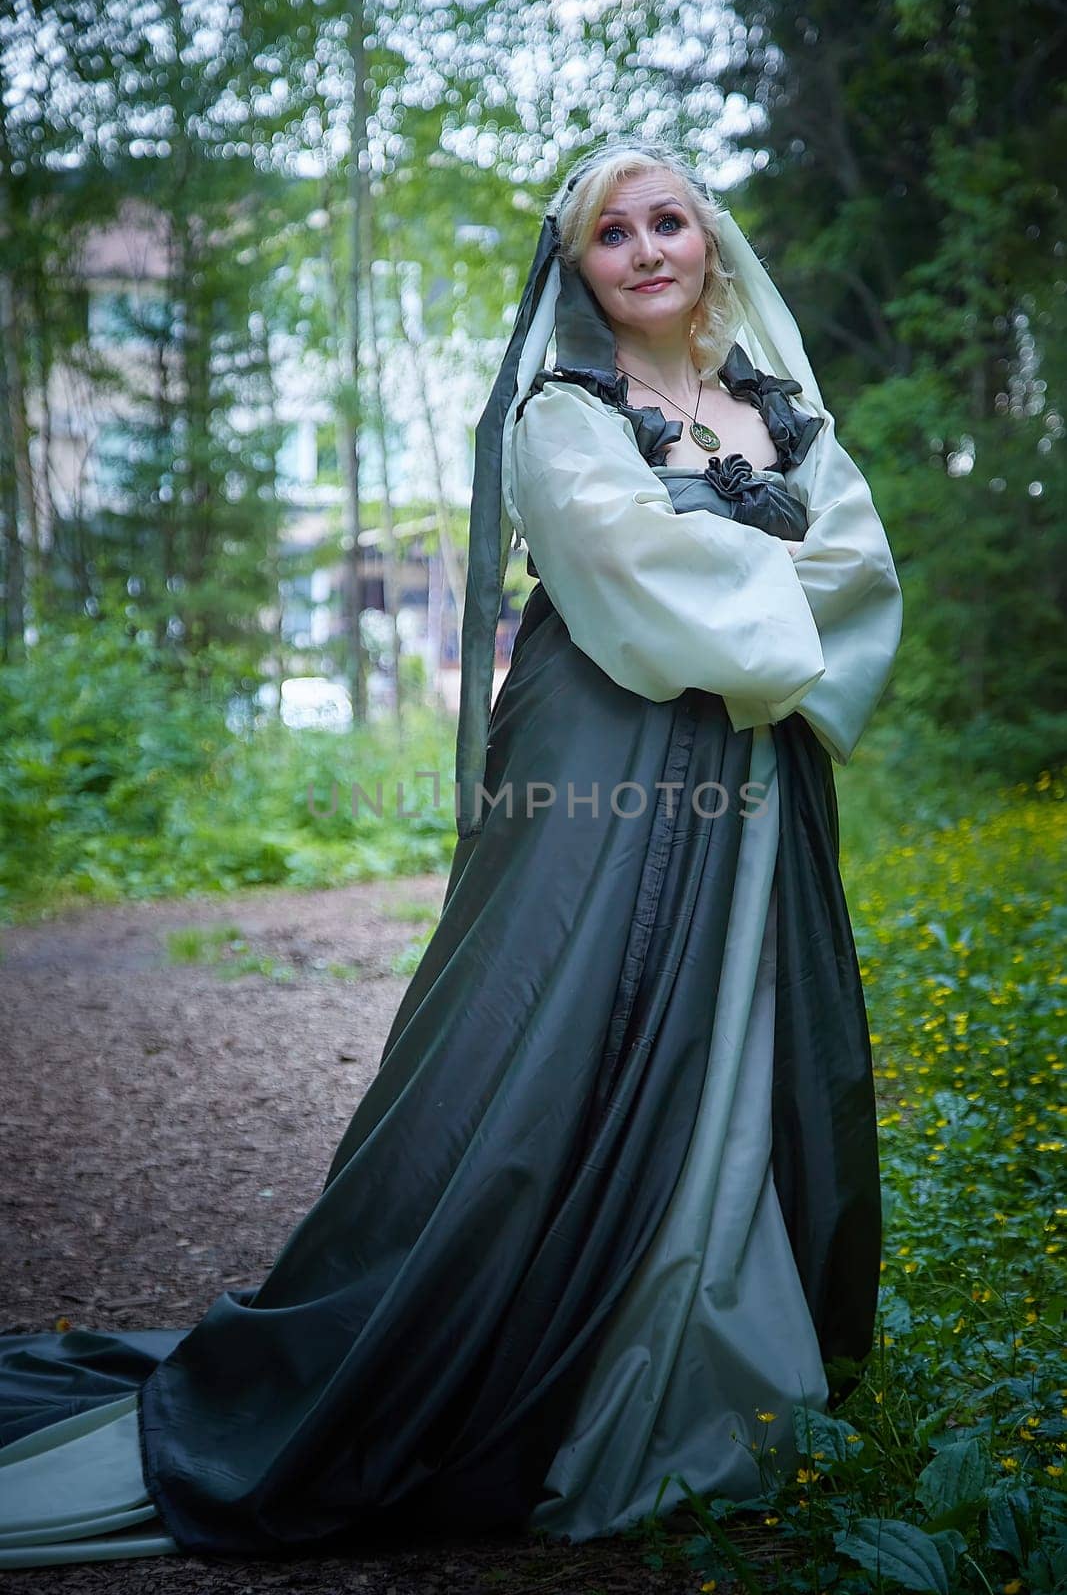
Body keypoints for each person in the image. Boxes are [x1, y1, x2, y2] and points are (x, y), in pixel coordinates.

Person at [0, 138, 902, 1568]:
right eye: (615, 233)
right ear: (580, 264)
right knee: (546, 1030)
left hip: (759, 765)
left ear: (710, 242)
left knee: (745, 1041)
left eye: (671, 221)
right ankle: (503, 1341)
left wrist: (739, 572)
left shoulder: (778, 406)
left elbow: (858, 567)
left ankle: (709, 1344)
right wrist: (756, 573)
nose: (650, 249)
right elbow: (627, 577)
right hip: (598, 751)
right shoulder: (560, 411)